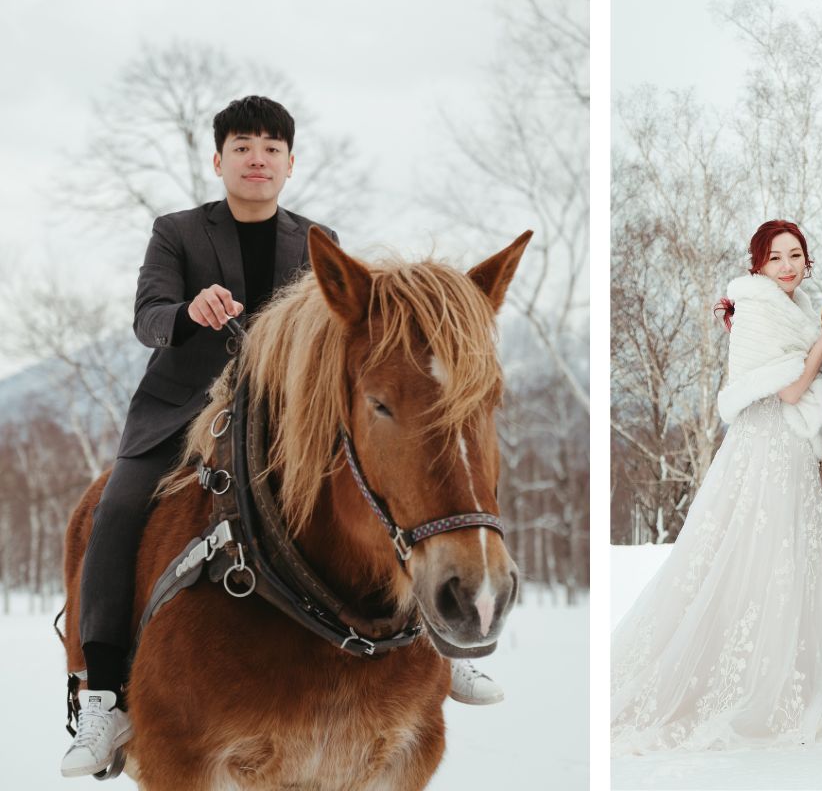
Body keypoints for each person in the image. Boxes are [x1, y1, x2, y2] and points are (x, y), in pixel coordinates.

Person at [62, 96, 500, 778]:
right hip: (182, 412)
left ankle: (439, 644)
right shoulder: (176, 232)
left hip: (285, 415)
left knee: (384, 478)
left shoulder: (314, 239)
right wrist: (186, 311)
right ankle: (103, 694)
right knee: (116, 509)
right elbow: (148, 315)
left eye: (271, 147)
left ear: (290, 164)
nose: (257, 157)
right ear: (220, 160)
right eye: (243, 146)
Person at [610, 220, 822, 753]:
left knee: (780, 563)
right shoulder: (759, 308)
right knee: (752, 559)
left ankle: (778, 680)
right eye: (775, 258)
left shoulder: (791, 307)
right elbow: (789, 390)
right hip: (766, 449)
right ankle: (740, 689)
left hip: (789, 453)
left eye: (795, 256)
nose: (787, 266)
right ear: (757, 265)